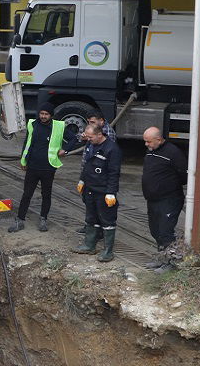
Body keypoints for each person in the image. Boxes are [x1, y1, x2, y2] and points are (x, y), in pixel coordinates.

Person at [11, 103, 67, 232]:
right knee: (27, 194)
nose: (43, 116)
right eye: (41, 114)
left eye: (46, 114)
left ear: (51, 115)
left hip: (48, 167)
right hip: (33, 166)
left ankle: (43, 219)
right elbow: (27, 143)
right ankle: (20, 220)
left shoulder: (58, 126)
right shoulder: (33, 124)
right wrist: (23, 160)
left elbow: (73, 139)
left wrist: (66, 150)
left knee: (46, 194)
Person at [72, 123, 122, 262]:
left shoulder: (112, 149)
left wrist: (111, 192)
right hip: (89, 189)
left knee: (107, 220)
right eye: (87, 137)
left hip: (103, 191)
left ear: (100, 134)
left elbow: (114, 173)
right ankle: (89, 245)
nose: (88, 139)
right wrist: (82, 180)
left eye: (91, 137)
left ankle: (108, 251)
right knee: (91, 217)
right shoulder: (90, 145)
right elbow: (87, 164)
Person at [140, 127, 188, 271]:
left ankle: (172, 263)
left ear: (159, 140)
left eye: (148, 142)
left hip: (169, 199)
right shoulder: (151, 151)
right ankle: (162, 258)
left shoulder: (173, 152)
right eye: (145, 142)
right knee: (155, 230)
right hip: (152, 199)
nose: (146, 145)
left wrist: (168, 185)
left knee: (165, 232)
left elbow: (184, 175)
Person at [74, 112, 116, 233]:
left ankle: (99, 230)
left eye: (92, 122)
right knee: (88, 201)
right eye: (88, 122)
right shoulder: (92, 134)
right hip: (88, 174)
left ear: (101, 121)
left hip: (98, 177)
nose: (90, 124)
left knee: (99, 205)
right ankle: (91, 226)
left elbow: (107, 160)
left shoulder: (108, 135)